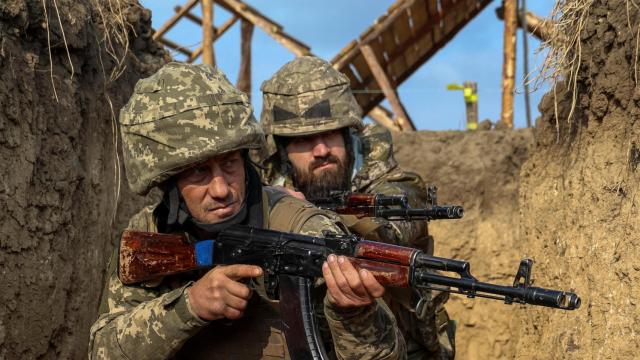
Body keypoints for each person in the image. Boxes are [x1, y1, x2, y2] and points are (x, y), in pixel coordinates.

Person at [88, 62, 406, 359]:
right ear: (168, 182)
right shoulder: (151, 234)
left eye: (229, 165)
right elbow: (102, 349)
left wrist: (354, 314)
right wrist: (188, 307)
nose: (221, 189)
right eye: (198, 173)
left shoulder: (302, 226)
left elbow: (390, 354)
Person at [258, 56, 455, 360]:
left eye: (329, 134)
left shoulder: (399, 189)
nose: (321, 151)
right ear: (282, 151)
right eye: (305, 140)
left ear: (349, 137)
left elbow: (387, 232)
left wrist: (298, 216)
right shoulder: (266, 192)